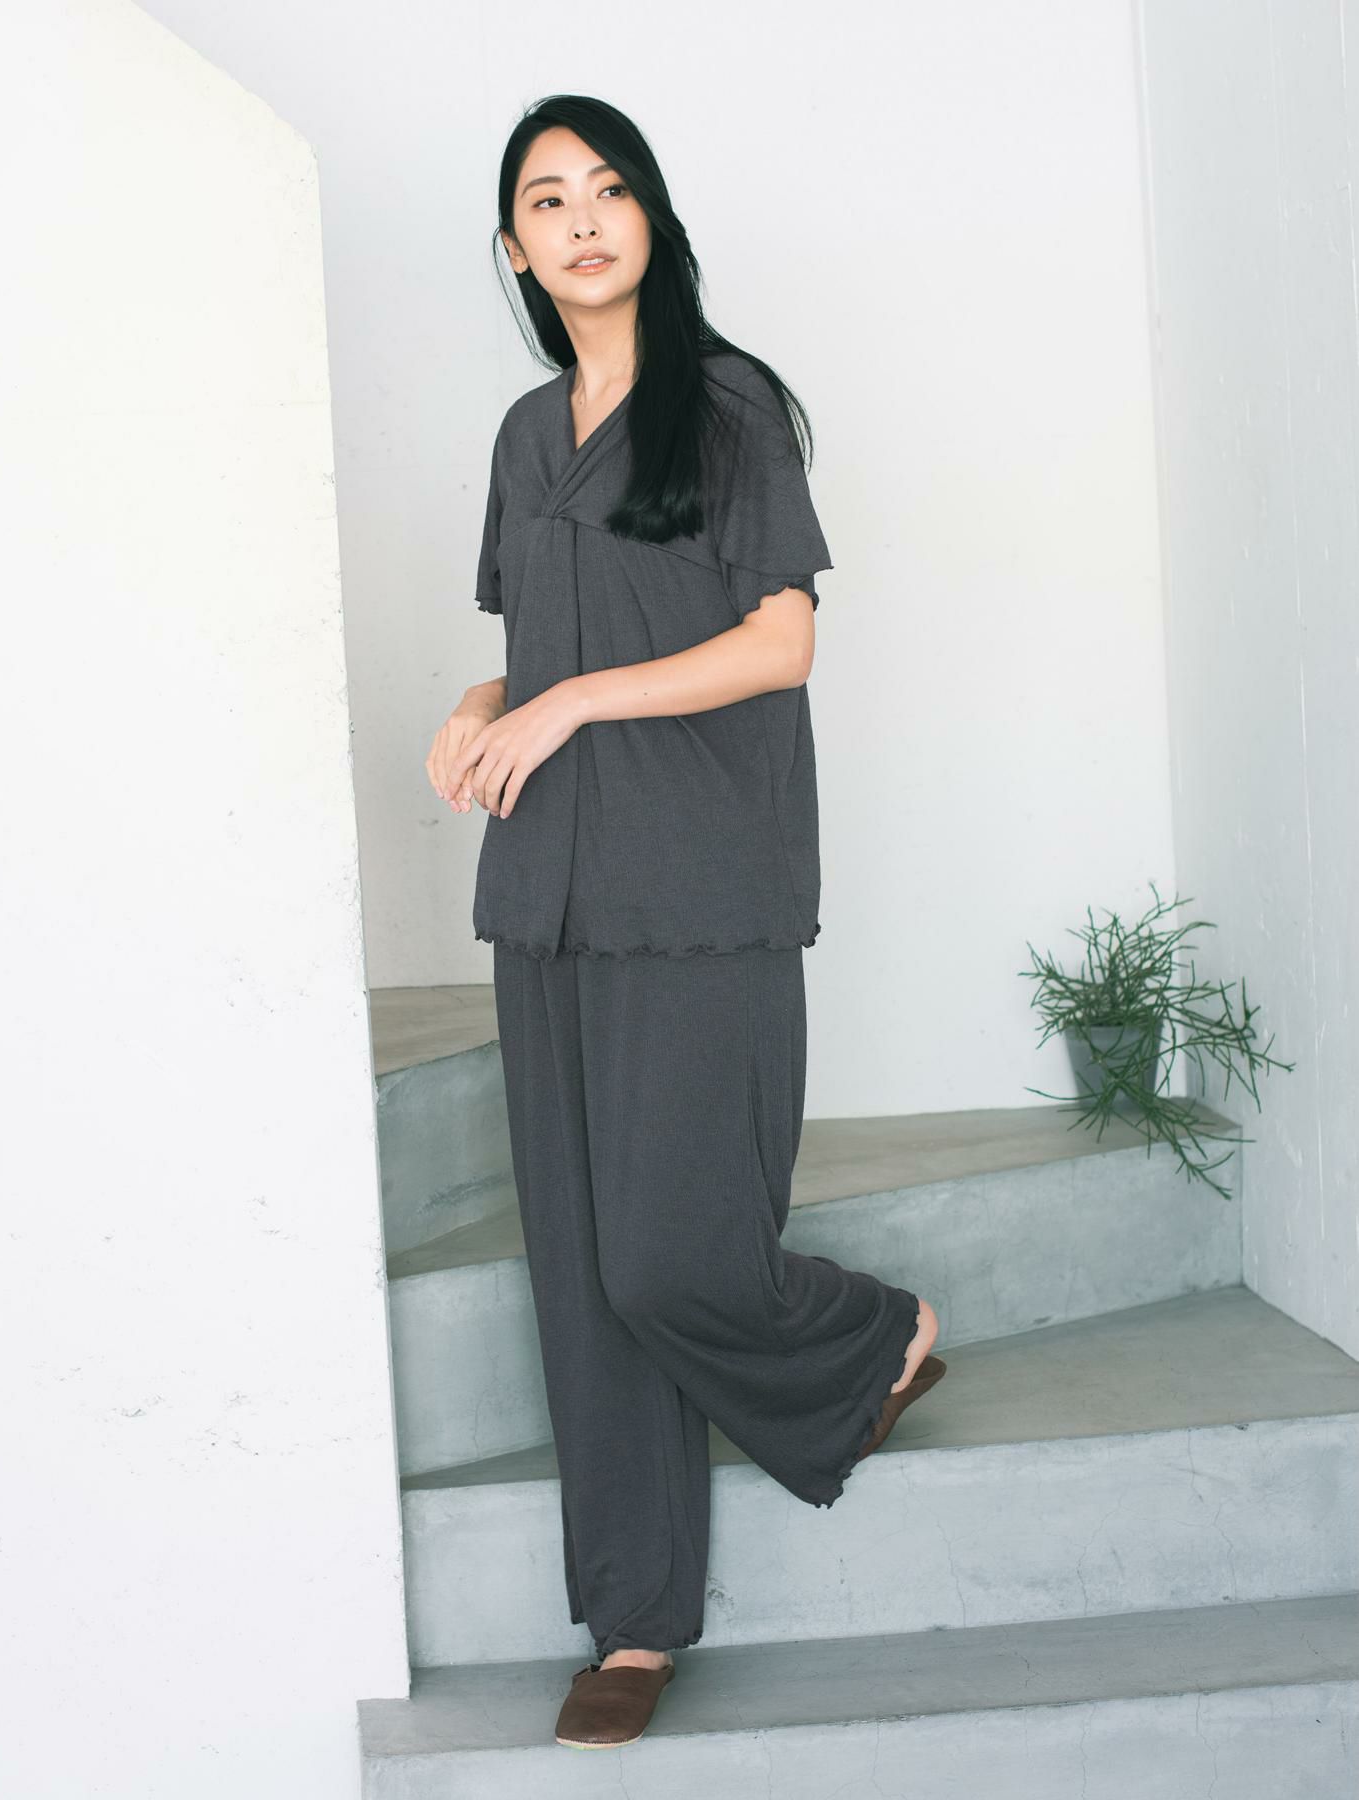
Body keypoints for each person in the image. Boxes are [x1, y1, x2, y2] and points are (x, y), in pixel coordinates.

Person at [425, 94, 946, 1753]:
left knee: (669, 1258)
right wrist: (484, 702)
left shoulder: (727, 406)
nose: (582, 220)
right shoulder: (527, 436)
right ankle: (635, 1623)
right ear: (516, 250)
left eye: (609, 190)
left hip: (705, 880)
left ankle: (876, 1335)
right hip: (549, 890)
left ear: (651, 218)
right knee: (585, 1280)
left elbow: (780, 640)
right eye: (547, 201)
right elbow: (544, 645)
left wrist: (567, 703)